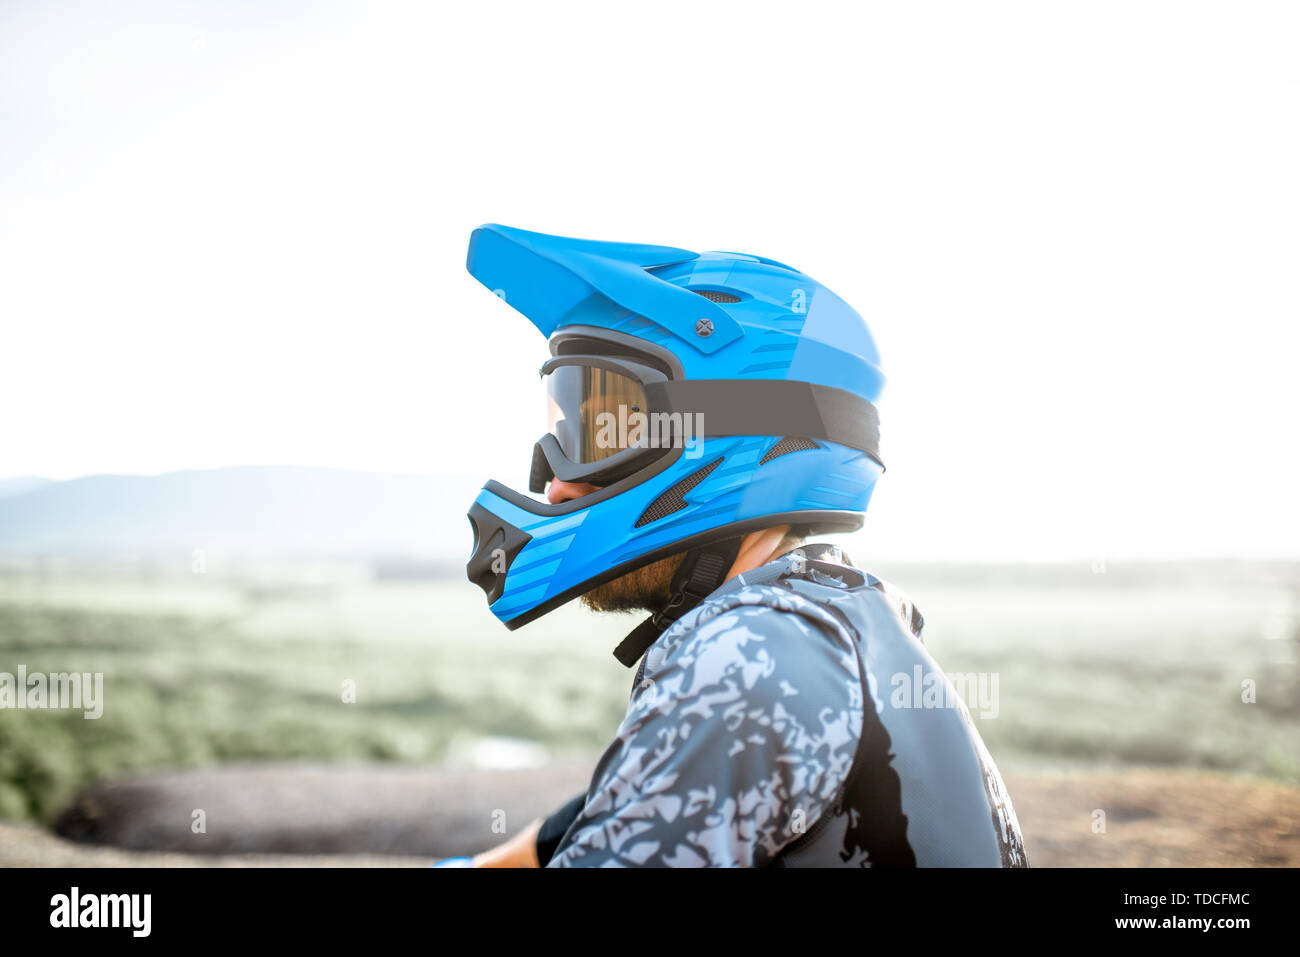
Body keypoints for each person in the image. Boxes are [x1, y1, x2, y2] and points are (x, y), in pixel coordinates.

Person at [448, 224, 1027, 868]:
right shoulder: (839, 622)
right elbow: (643, 805)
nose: (555, 482)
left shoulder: (748, 654)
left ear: (729, 436)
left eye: (601, 432)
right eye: (562, 426)